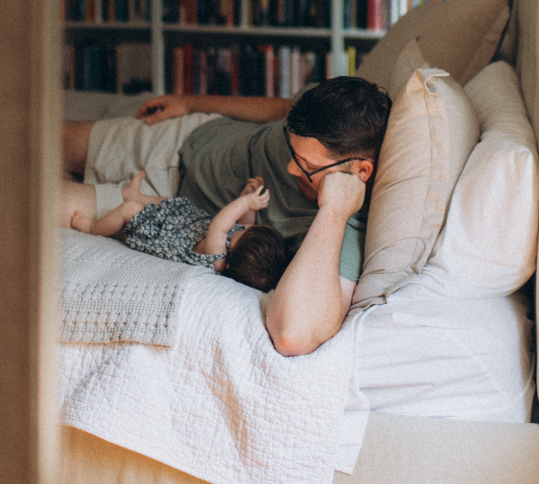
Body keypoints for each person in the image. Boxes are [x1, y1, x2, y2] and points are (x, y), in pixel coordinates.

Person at [61, 76, 391, 356]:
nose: (291, 168)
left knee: (27, 200)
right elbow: (280, 109)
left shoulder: (345, 227)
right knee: (35, 137)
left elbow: (293, 336)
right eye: (292, 152)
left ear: (359, 171)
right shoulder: (327, 112)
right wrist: (189, 102)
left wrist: (333, 210)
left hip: (163, 207)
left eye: (308, 168)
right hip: (185, 138)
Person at [71, 172, 287, 293]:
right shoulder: (241, 239)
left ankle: (93, 227)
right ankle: (134, 194)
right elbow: (244, 221)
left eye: (241, 233)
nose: (242, 227)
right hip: (181, 220)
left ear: (230, 262)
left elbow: (220, 224)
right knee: (168, 202)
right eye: (251, 228)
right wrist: (248, 197)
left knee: (130, 211)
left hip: (160, 235)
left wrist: (245, 202)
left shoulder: (217, 259)